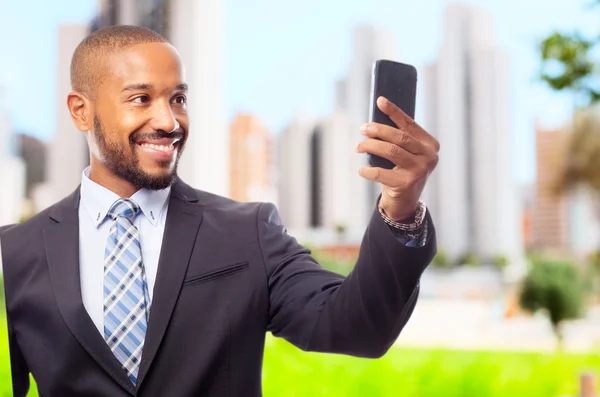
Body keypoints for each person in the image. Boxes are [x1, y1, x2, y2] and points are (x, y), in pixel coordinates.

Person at [0, 25, 439, 396]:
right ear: (81, 111)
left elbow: (357, 327)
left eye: (178, 99)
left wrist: (401, 211)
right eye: (141, 99)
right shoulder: (16, 251)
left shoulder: (248, 232)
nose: (169, 121)